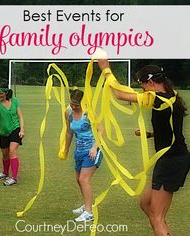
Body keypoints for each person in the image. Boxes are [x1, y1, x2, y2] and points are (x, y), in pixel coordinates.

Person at [98, 59, 190, 236]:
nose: (143, 91)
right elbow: (172, 131)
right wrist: (150, 134)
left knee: (157, 216)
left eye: (142, 86)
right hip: (171, 158)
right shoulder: (172, 96)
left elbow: (119, 94)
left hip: (172, 161)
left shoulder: (156, 97)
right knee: (146, 204)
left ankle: (161, 229)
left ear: (151, 82)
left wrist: (105, 68)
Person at [62, 89, 103, 222]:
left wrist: (94, 147)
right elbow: (69, 132)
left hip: (92, 151)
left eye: (76, 105)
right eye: (72, 103)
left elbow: (101, 130)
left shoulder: (88, 112)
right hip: (78, 150)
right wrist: (66, 149)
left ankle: (89, 213)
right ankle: (87, 205)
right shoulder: (68, 112)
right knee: (78, 180)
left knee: (83, 180)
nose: (73, 107)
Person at [0, 82, 25, 186]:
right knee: (5, 155)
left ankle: (14, 178)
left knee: (12, 151)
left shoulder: (15, 101)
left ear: (6, 93)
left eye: (1, 93)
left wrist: (22, 129)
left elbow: (20, 117)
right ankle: (5, 173)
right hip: (3, 132)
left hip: (15, 129)